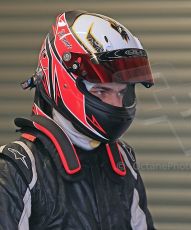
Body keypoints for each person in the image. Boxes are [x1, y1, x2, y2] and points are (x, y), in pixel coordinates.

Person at [0, 10, 155, 229]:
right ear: (61, 81)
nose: (116, 104)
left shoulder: (122, 160)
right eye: (101, 91)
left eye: (121, 92)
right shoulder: (19, 167)